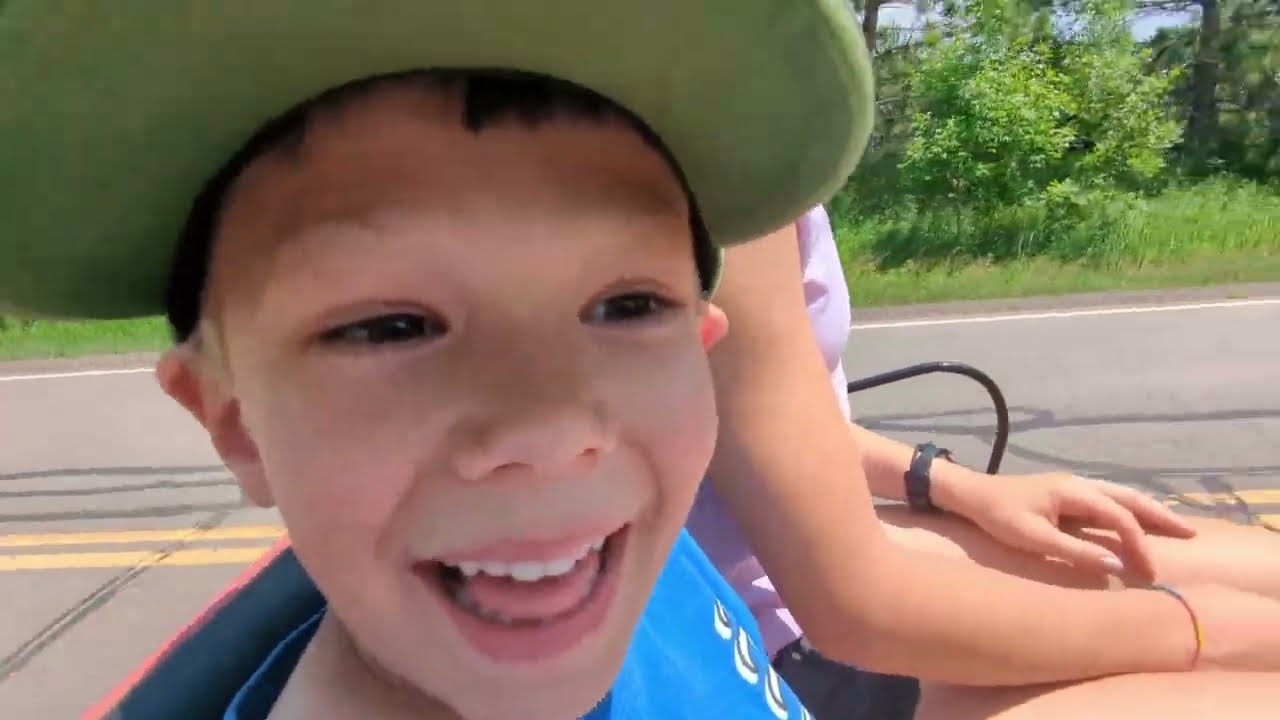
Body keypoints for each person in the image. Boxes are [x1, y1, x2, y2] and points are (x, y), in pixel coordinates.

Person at [0, 3, 879, 719]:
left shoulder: (618, 554)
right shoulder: (589, 529)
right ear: (233, 421)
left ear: (699, 351)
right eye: (390, 327)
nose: (550, 428)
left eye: (626, 306)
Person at [693, 204, 1280, 718]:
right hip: (759, 652)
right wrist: (1198, 629)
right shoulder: (721, 155)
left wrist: (945, 482)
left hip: (794, 566)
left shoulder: (761, 148)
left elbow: (758, 421)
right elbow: (856, 610)